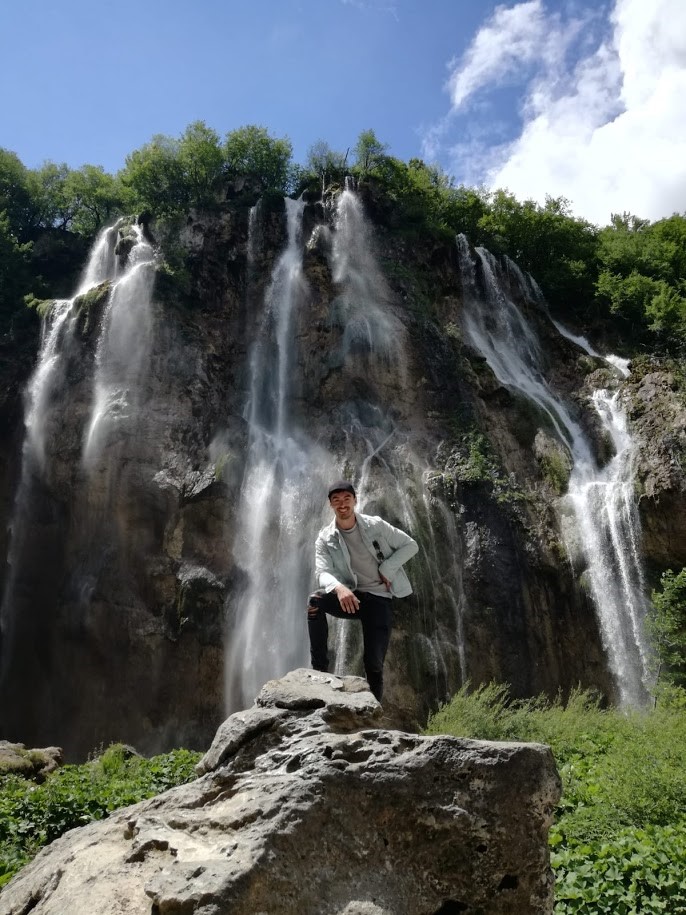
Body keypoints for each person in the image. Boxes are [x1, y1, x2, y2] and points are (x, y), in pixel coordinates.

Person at [307, 480, 419, 702]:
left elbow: (410, 545)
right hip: (351, 597)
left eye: (346, 499)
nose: (342, 504)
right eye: (336, 500)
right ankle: (319, 670)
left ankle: (374, 710)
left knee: (374, 663)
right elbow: (322, 572)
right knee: (314, 602)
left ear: (355, 500)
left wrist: (388, 568)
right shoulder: (325, 537)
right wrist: (339, 588)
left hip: (379, 599)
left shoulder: (375, 525)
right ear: (330, 505)